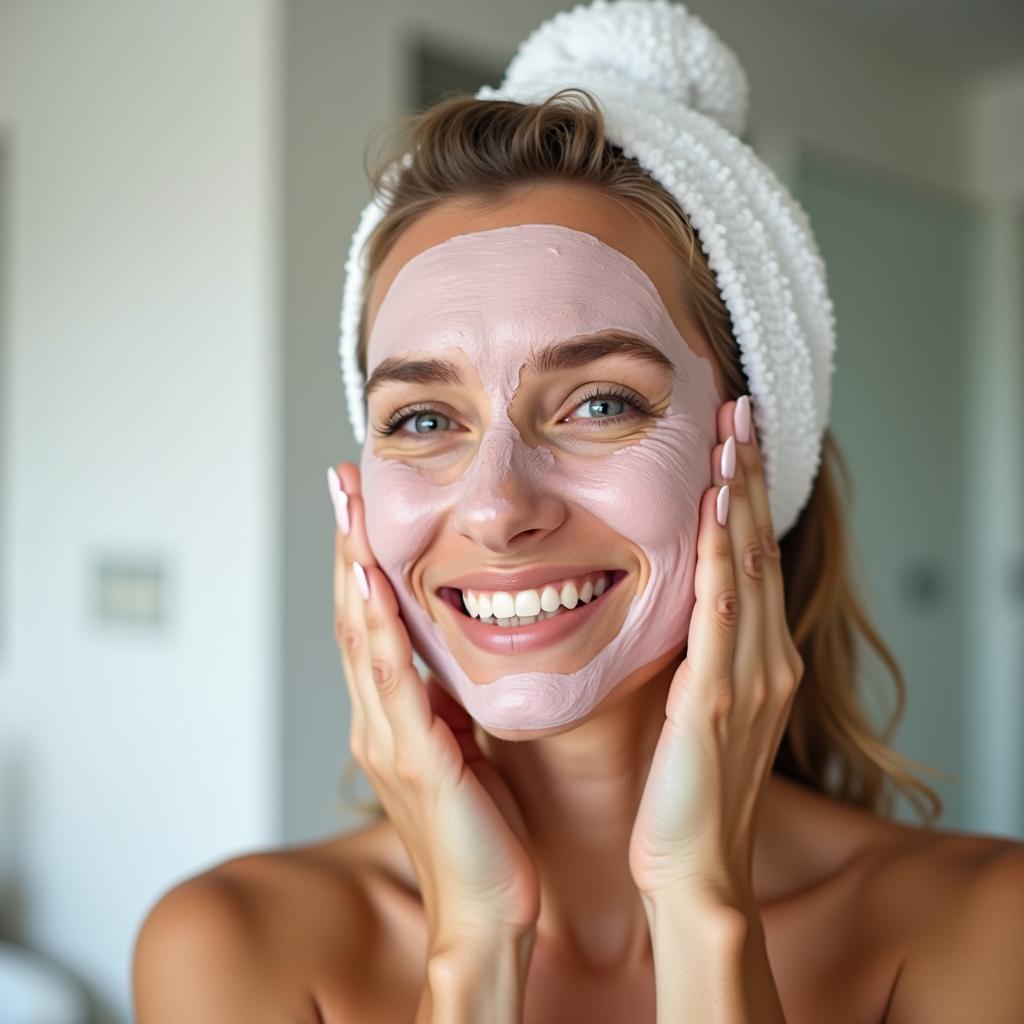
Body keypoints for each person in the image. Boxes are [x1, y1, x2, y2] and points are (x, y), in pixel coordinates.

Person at [132, 3, 1024, 1022]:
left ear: (755, 455)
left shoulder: (984, 929)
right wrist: (471, 947)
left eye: (600, 402)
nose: (496, 507)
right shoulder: (232, 947)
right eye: (424, 417)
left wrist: (702, 911)